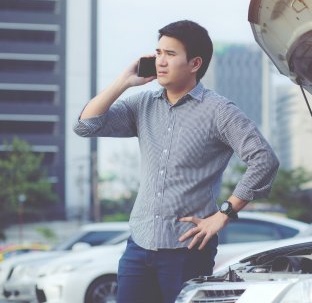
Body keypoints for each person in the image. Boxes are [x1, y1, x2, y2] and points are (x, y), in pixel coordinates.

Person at [73, 20, 279, 303]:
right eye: (158, 53)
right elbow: (86, 126)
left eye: (170, 54)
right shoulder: (142, 104)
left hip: (187, 250)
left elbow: (264, 159)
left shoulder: (219, 110)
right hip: (139, 247)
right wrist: (123, 82)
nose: (160, 61)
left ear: (195, 63)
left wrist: (224, 214)